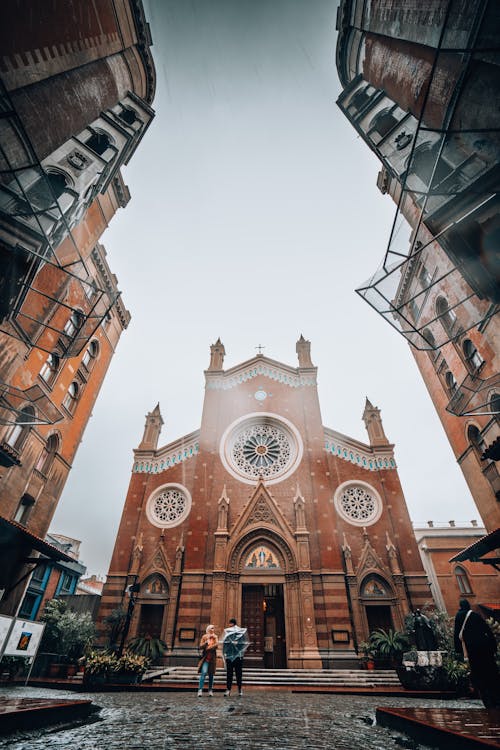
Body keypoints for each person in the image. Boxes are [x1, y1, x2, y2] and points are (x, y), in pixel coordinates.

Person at [454, 598, 500, 709]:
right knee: (491, 673)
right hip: (485, 648)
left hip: (472, 650)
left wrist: (459, 650)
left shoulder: (459, 616)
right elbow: (487, 630)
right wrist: (493, 646)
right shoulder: (475, 615)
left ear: (460, 606)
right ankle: (497, 698)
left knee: (479, 675)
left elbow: (457, 633)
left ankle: (488, 701)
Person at [223, 617, 248, 697]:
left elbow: (243, 644)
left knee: (238, 674)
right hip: (230, 657)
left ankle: (240, 689)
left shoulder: (240, 634)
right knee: (229, 674)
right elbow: (225, 644)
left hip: (238, 656)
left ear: (233, 624)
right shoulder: (227, 634)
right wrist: (225, 653)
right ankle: (228, 689)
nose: (229, 626)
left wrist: (237, 643)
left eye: (230, 624)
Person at [197, 624, 218, 697]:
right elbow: (200, 646)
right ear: (208, 629)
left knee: (211, 675)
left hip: (212, 659)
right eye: (212, 628)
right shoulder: (204, 637)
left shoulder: (215, 637)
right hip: (205, 658)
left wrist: (208, 648)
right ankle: (200, 690)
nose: (213, 629)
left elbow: (216, 645)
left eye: (214, 628)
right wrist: (206, 643)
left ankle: (210, 690)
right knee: (204, 673)